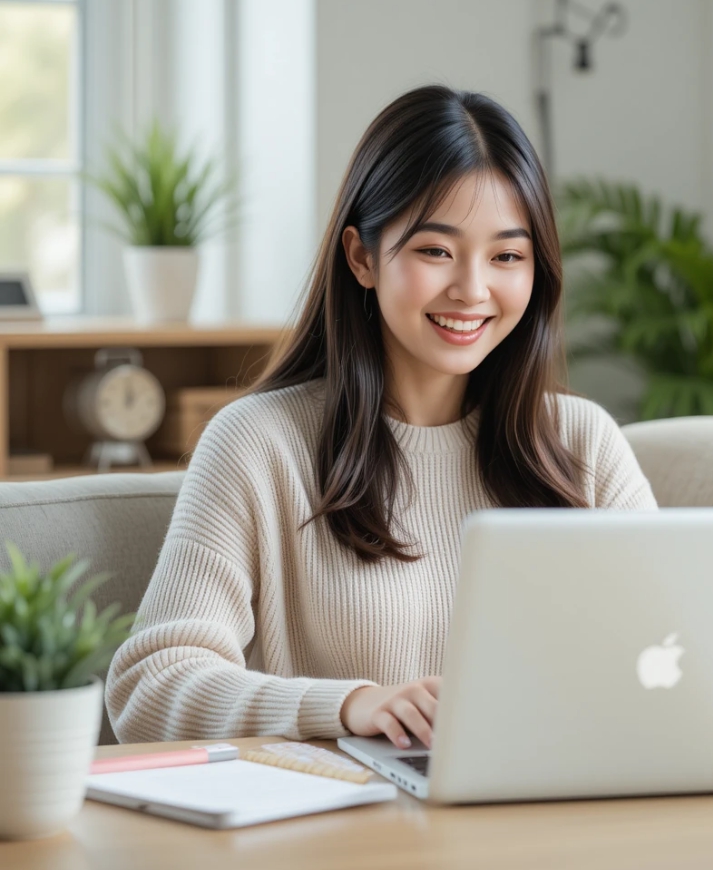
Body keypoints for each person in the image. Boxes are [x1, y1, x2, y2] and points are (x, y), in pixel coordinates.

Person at [105, 84, 658, 750]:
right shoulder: (258, 444)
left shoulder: (581, 442)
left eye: (507, 256)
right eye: (435, 251)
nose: (472, 289)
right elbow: (148, 686)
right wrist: (351, 706)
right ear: (362, 257)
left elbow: (668, 654)